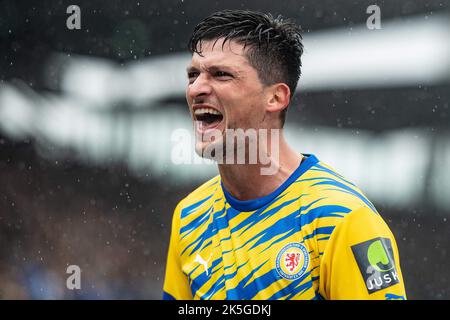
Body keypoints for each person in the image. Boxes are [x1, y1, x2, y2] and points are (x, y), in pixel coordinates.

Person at [163, 9, 406, 300]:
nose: (196, 89)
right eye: (193, 75)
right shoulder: (190, 216)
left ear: (275, 97)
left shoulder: (342, 218)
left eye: (221, 75)